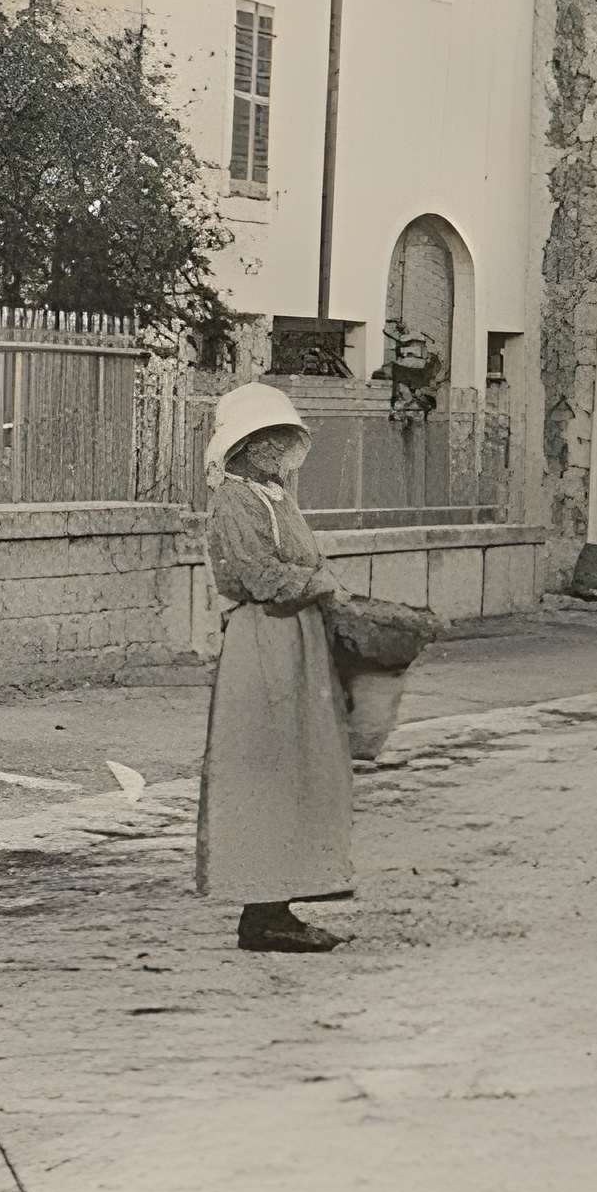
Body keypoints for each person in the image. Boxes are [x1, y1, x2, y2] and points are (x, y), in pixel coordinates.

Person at [197, 383, 354, 953]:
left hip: (296, 637)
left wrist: (323, 589)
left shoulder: (274, 497)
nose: (277, 452)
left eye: (281, 441)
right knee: (266, 766)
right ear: (242, 448)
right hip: (263, 638)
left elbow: (303, 560)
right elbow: (262, 577)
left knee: (297, 764)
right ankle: (262, 913)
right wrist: (321, 584)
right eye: (265, 442)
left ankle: (278, 904)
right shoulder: (235, 501)